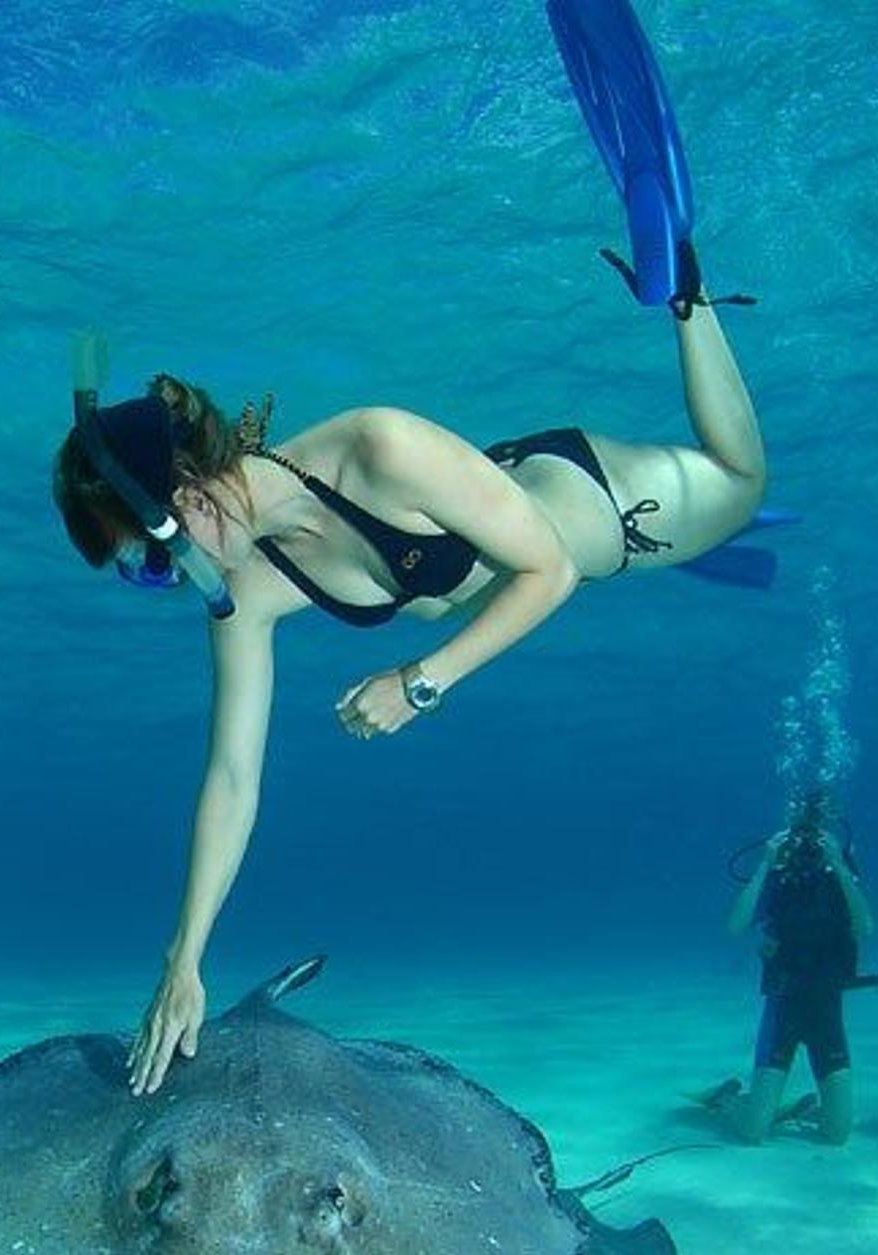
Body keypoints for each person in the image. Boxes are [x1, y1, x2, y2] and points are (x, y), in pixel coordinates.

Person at [53, 275, 768, 1093]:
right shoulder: (246, 588)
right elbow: (232, 774)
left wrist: (420, 682)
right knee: (714, 497)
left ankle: (686, 293)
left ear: (185, 500)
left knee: (744, 482)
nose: (169, 583)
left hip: (599, 511)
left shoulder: (379, 446)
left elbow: (552, 568)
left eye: (149, 563)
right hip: (493, 516)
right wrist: (185, 958)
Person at [704, 792, 875, 1146]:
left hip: (826, 1009)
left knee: (837, 1135)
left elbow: (865, 927)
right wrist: (766, 863)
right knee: (752, 1134)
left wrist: (839, 865)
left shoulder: (839, 872)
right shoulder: (777, 876)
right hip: (784, 1004)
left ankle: (794, 1108)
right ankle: (727, 1099)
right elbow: (736, 926)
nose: (806, 846)